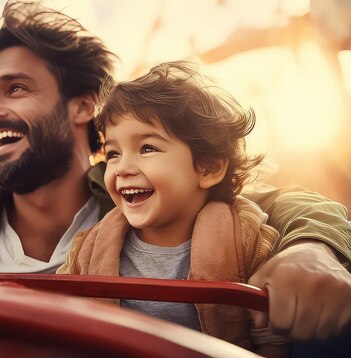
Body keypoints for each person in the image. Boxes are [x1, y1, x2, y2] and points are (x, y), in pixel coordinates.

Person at [0, 1, 351, 352]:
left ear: (81, 106)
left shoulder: (156, 204)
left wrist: (316, 248)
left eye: (15, 89)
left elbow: (287, 205)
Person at [58, 61, 290, 355]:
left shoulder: (247, 240)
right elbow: (62, 329)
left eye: (147, 148)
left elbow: (272, 343)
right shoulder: (87, 250)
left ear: (208, 168)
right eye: (113, 153)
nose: (122, 168)